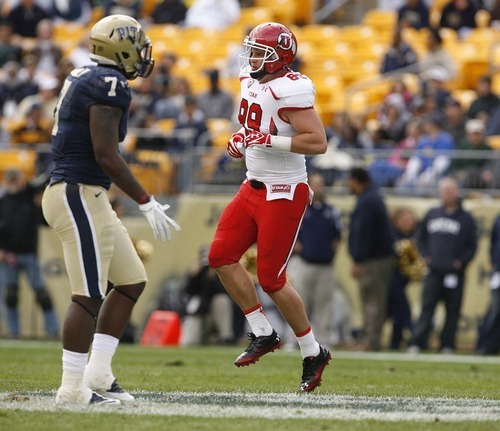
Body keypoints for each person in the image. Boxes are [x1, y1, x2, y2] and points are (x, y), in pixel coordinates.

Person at [41, 14, 181, 406]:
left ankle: (98, 370)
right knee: (87, 295)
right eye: (136, 45)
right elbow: (106, 153)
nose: (140, 54)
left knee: (131, 280)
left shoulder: (85, 75)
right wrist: (145, 199)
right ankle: (71, 388)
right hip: (76, 192)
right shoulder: (110, 83)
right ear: (119, 47)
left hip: (88, 193)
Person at [207, 22, 331, 393]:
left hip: (283, 190)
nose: (252, 58)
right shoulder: (255, 79)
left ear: (279, 58)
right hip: (252, 185)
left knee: (272, 279)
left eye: (259, 52)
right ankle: (263, 331)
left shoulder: (289, 89)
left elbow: (318, 142)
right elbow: (252, 126)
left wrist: (266, 139)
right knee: (220, 255)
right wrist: (242, 140)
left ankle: (312, 351)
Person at [407, 177, 477, 354]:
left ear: (457, 192)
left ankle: (447, 344)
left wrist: (460, 262)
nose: (446, 193)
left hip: (454, 274)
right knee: (427, 308)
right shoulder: (432, 213)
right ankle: (417, 342)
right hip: (433, 271)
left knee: (452, 311)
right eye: (444, 190)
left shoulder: (466, 218)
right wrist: (426, 257)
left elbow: (472, 245)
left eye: (450, 190)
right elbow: (420, 239)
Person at [284, 172, 343, 349]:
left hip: (325, 265)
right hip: (304, 263)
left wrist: (330, 252)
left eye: (322, 183)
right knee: (298, 302)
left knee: (324, 304)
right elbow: (290, 231)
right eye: (316, 184)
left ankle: (323, 338)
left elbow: (337, 237)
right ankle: (293, 339)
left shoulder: (332, 211)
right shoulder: (301, 208)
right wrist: (299, 248)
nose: (320, 187)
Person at [0, 168, 59, 339]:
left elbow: (45, 222)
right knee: (10, 296)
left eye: (15, 179)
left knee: (42, 294)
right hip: (8, 256)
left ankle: (53, 330)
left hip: (29, 255)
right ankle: (14, 332)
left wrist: (40, 204)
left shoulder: (30, 197)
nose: (13, 183)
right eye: (10, 180)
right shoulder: (3, 202)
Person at [347, 167, 395, 351]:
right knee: (372, 300)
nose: (348, 185)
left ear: (356, 180)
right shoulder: (372, 197)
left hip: (373, 260)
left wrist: (358, 259)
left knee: (372, 300)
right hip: (376, 258)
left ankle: (370, 341)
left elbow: (363, 233)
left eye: (350, 181)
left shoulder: (368, 200)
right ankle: (368, 339)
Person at [180, 245, 235, 346]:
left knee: (221, 300)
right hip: (199, 311)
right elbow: (187, 292)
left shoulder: (222, 272)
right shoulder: (197, 272)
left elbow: (228, 294)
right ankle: (205, 338)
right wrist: (193, 276)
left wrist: (214, 278)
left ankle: (226, 337)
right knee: (188, 342)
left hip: (215, 313)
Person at [387, 207, 423, 349]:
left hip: (403, 280)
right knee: (403, 309)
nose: (409, 222)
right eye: (404, 219)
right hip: (392, 279)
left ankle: (395, 343)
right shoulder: (392, 235)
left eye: (410, 219)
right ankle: (414, 337)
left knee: (396, 313)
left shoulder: (416, 236)